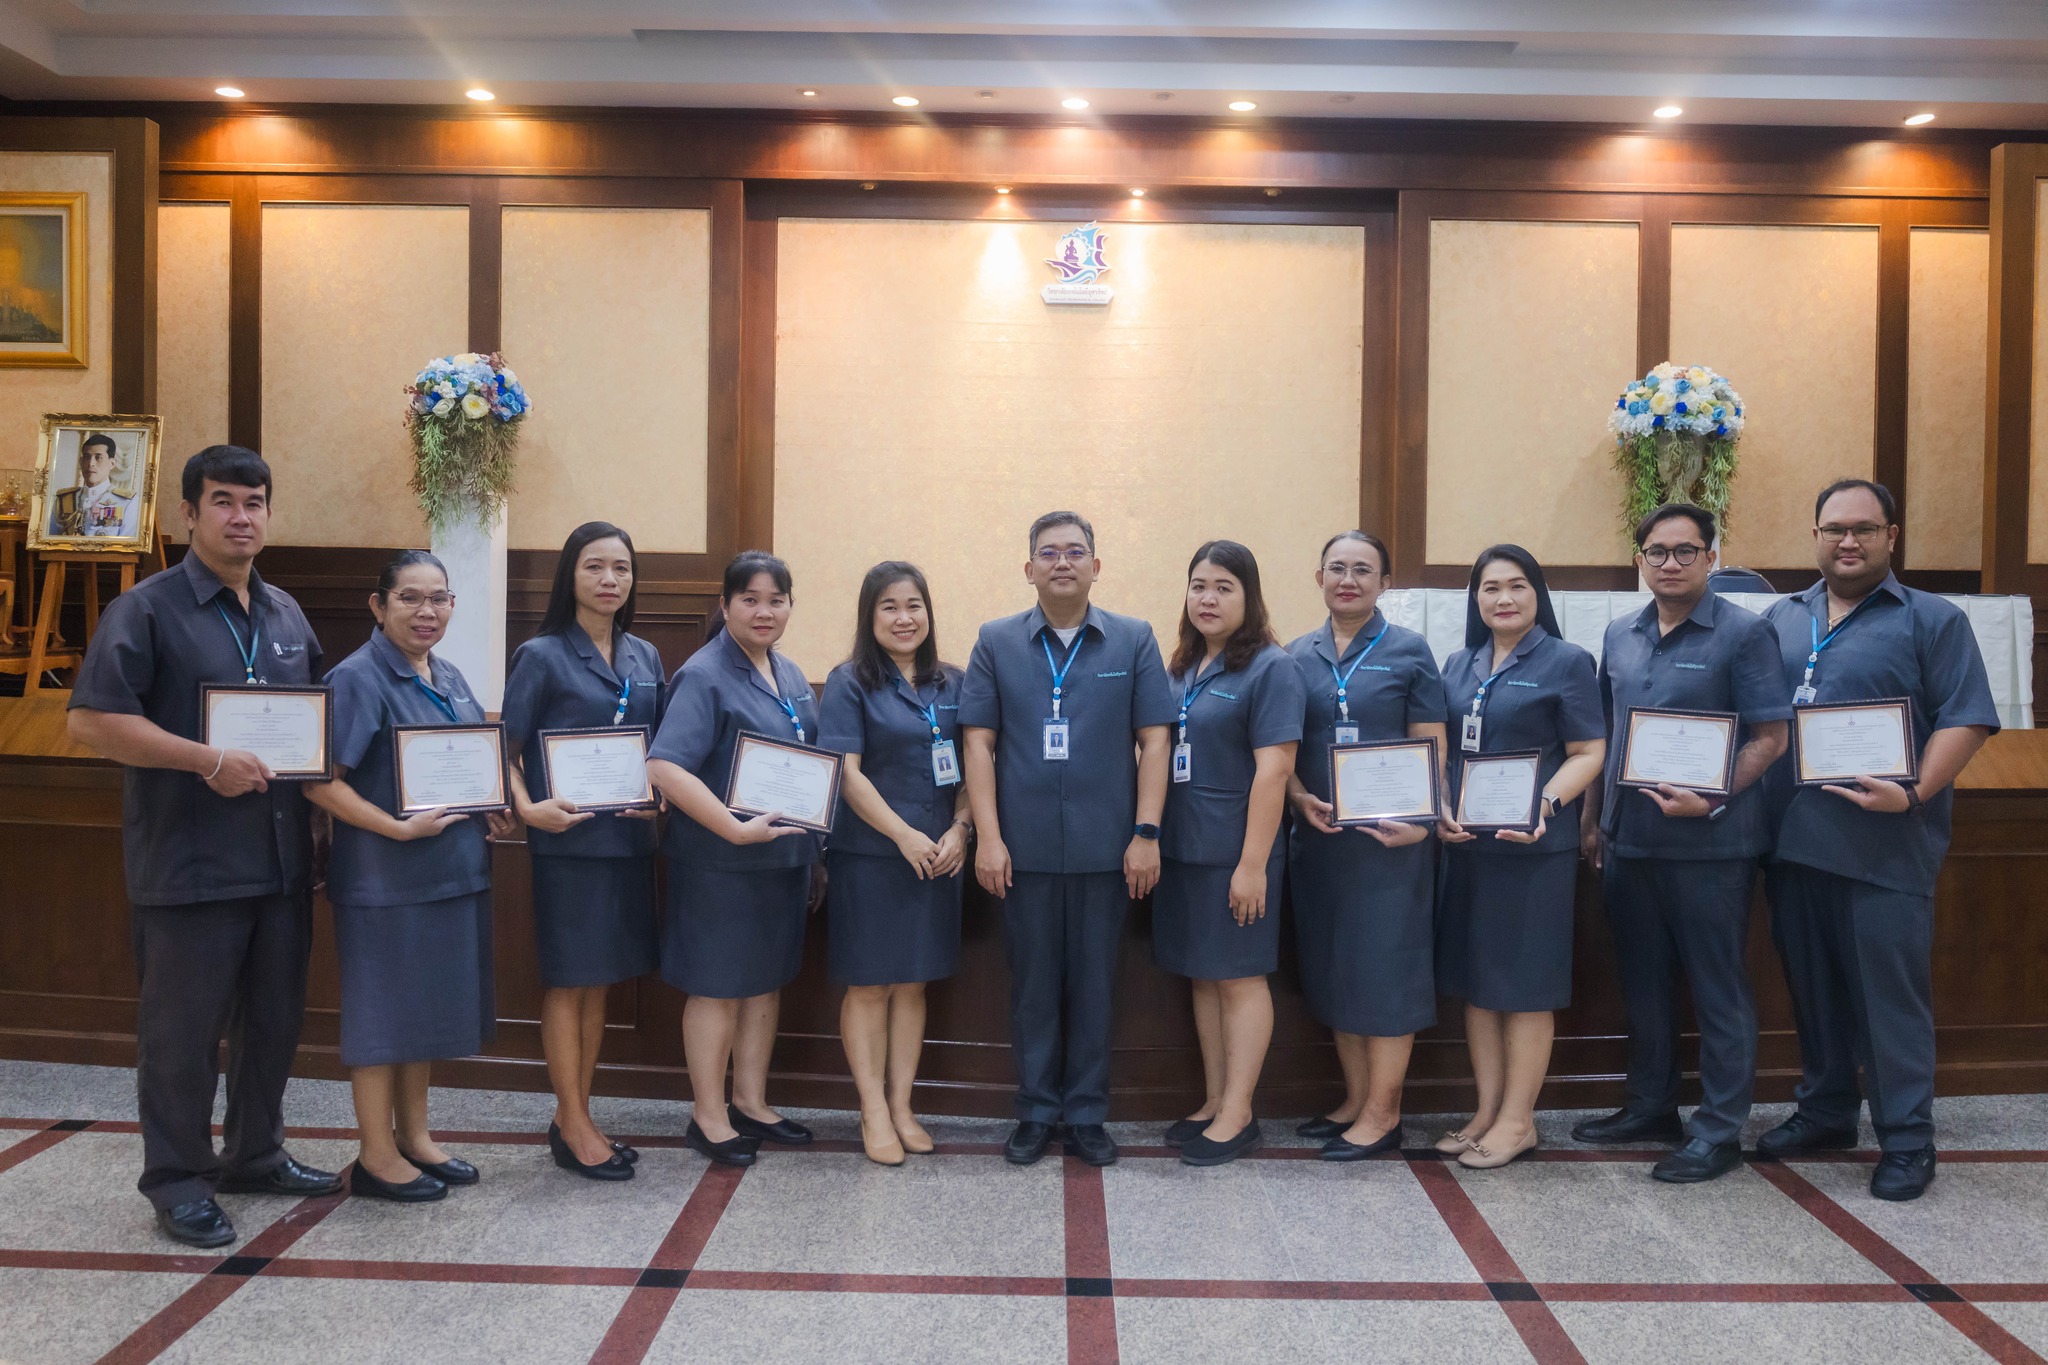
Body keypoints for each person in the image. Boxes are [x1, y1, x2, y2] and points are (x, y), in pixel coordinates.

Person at [67, 444, 343, 1248]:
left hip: (282, 862)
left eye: (255, 502)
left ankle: (255, 1151)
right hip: (188, 866)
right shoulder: (147, 609)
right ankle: (178, 1179)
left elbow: (312, 738)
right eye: (223, 501)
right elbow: (90, 720)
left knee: (273, 1022)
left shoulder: (286, 614)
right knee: (182, 1036)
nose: (241, 517)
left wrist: (323, 827)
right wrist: (205, 759)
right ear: (187, 513)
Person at [1757, 478, 1996, 1201]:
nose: (1848, 541)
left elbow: (1967, 717)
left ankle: (1907, 1139)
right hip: (1792, 841)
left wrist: (1917, 790)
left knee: (1888, 1000)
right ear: (1816, 537)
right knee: (1816, 990)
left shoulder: (1932, 618)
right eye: (1834, 529)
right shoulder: (1780, 618)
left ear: (1892, 535)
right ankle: (1827, 1112)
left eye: (1864, 528)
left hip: (1885, 844)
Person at [1575, 504, 1789, 1183]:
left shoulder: (1745, 634)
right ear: (1640, 561)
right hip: (1629, 842)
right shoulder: (1619, 634)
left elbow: (1771, 737)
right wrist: (1592, 820)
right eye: (1657, 551)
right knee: (1643, 983)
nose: (1670, 562)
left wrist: (1716, 792)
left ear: (1711, 558)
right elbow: (1604, 738)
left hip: (1711, 848)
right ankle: (1650, 1105)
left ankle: (1720, 1129)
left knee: (1716, 986)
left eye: (1685, 551)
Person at [960, 510, 1172, 1168]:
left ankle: (1085, 1113)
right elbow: (978, 742)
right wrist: (987, 838)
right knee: (1032, 986)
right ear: (1028, 568)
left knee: (1096, 986)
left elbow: (1156, 739)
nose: (1062, 562)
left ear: (1096, 566)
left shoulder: (1134, 640)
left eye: (1075, 551)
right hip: (1020, 854)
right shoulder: (995, 641)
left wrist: (1146, 832)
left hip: (1107, 851)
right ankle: (1035, 1110)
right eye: (1048, 553)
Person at [304, 551, 511, 1203]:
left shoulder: (446, 673)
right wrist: (393, 827)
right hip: (384, 878)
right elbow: (317, 781)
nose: (427, 612)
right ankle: (375, 1154)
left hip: (447, 872)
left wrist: (494, 799)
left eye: (439, 599)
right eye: (411, 598)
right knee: (381, 1019)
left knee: (419, 1014)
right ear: (379, 605)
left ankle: (415, 1137)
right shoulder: (357, 677)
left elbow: (472, 759)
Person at [647, 551, 824, 1167]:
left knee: (763, 985)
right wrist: (732, 828)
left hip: (782, 863)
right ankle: (709, 1114)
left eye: (776, 599)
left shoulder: (792, 674)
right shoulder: (704, 674)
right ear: (725, 606)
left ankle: (751, 1101)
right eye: (749, 598)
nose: (763, 611)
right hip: (720, 864)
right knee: (717, 988)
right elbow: (664, 766)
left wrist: (814, 853)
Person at [501, 522, 665, 1182]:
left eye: (621, 568)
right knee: (570, 981)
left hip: (627, 842)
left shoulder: (646, 655)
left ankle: (580, 1112)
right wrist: (525, 807)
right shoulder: (540, 654)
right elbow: (504, 749)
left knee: (600, 982)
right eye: (595, 566)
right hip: (567, 845)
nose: (609, 579)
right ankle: (571, 1119)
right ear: (570, 574)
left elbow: (660, 750)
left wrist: (659, 794)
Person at [1435, 544, 1605, 1168]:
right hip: (1470, 848)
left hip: (1536, 850)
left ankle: (1518, 1119)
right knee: (1479, 986)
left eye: (1517, 586)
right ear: (1475, 599)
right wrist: (1443, 802)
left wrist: (1548, 806)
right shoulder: (1459, 663)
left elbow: (1590, 751)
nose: (1503, 599)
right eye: (1489, 588)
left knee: (1525, 987)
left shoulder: (1566, 661)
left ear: (1538, 594)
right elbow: (1445, 752)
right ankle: (1487, 1109)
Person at [1284, 531, 1449, 1162]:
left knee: (1386, 976)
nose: (1347, 580)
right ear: (1318, 577)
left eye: (1362, 570)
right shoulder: (1297, 655)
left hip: (1392, 845)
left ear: (1385, 583)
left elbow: (1431, 744)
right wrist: (1299, 799)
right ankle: (1354, 1099)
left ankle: (1384, 1113)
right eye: (1336, 569)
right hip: (1322, 843)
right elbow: (1282, 750)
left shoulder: (1410, 652)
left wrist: (1425, 820)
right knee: (1336, 970)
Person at [1152, 541, 1302, 1166]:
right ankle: (1214, 1100)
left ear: (1250, 596)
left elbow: (1275, 772)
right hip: (1186, 851)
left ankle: (1240, 1111)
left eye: (1224, 587)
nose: (1208, 598)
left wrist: (1251, 865)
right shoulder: (1182, 666)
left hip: (1239, 855)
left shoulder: (1271, 667)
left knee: (1239, 978)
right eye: (1198, 586)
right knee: (1205, 977)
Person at [818, 562, 971, 1166]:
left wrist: (962, 828)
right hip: (872, 857)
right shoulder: (850, 681)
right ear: (869, 615)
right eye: (889, 607)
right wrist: (906, 835)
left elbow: (973, 765)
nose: (904, 618)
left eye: (914, 605)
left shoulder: (953, 682)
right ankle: (872, 1110)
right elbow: (846, 774)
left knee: (913, 982)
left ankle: (903, 1105)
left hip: (941, 857)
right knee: (870, 984)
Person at [52, 431, 138, 538]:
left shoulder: (126, 501)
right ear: (81, 462)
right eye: (87, 457)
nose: (90, 463)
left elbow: (127, 547)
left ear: (112, 464)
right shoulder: (64, 499)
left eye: (98, 458)